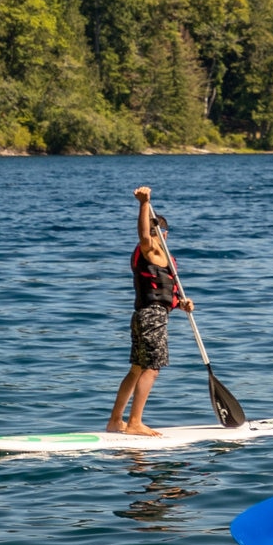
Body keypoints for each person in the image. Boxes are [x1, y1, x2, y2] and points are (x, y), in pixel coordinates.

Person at [105, 185, 191, 436]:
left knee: (137, 368)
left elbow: (164, 293)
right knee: (152, 369)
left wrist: (182, 304)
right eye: (156, 233)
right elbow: (143, 235)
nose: (158, 237)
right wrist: (144, 204)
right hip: (151, 317)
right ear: (160, 233)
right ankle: (134, 423)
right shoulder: (150, 248)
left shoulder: (165, 261)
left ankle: (115, 421)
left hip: (146, 315)